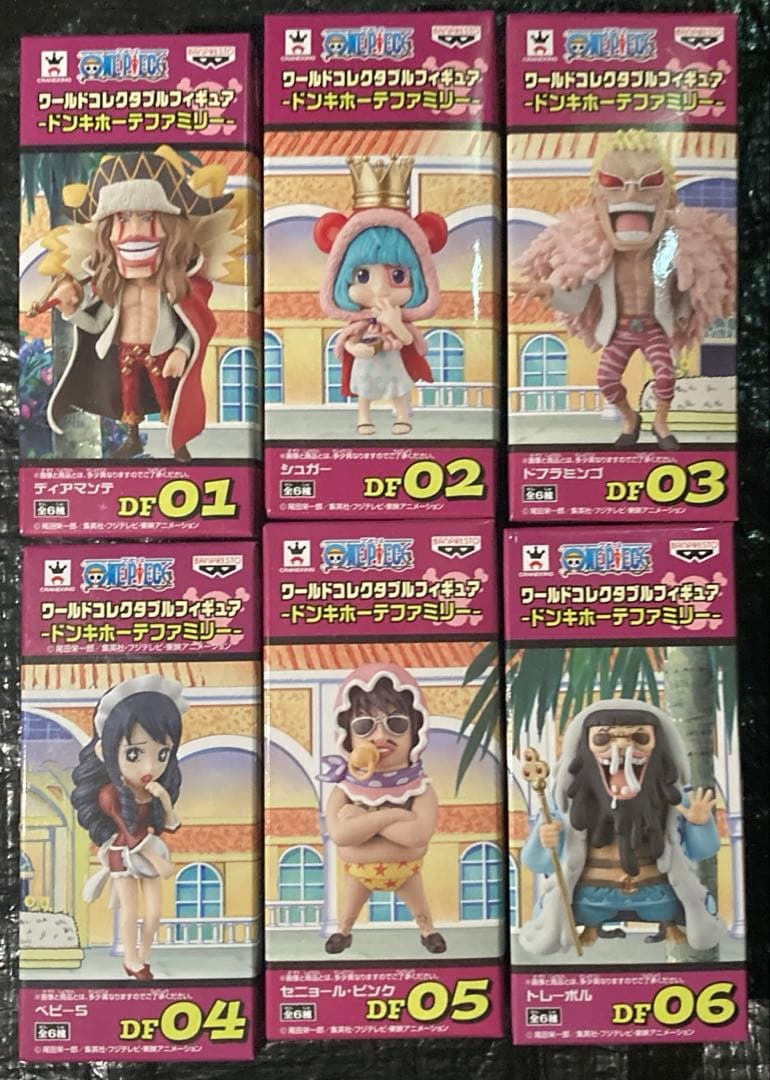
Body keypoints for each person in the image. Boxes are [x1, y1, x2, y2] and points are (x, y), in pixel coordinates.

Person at [318, 662, 446, 954]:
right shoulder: (345, 788)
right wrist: (397, 816)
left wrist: (362, 820)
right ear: (347, 735)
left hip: (407, 873)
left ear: (416, 731)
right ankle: (344, 932)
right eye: (364, 726)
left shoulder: (420, 787)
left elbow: (417, 837)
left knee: (420, 908)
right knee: (348, 911)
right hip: (358, 875)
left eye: (396, 723)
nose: (380, 737)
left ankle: (427, 931)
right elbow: (341, 836)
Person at [315, 156, 447, 437]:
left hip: (392, 359)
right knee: (364, 389)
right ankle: (364, 417)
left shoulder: (396, 316)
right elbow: (348, 341)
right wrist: (355, 349)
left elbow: (409, 340)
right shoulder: (360, 323)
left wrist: (395, 322)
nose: (380, 290)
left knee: (397, 387)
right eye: (363, 276)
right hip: (366, 361)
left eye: (397, 276)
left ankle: (402, 415)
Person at [70, 675, 187, 979]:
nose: (150, 767)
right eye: (134, 754)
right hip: (123, 854)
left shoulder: (154, 789)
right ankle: (131, 959)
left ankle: (144, 955)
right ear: (106, 752)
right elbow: (129, 833)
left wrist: (165, 800)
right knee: (130, 911)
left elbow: (170, 824)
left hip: (148, 850)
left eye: (162, 754)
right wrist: (157, 860)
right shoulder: (110, 794)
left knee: (154, 912)